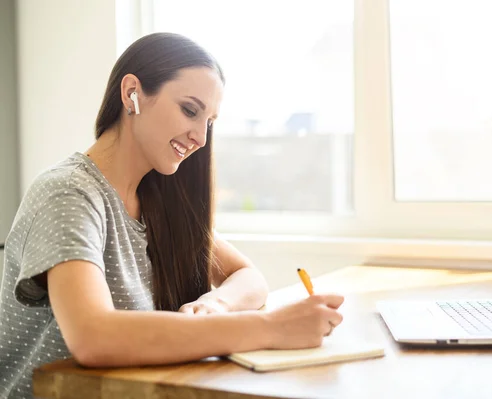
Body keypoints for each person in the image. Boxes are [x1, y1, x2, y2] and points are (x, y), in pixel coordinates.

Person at [0, 32, 344, 399]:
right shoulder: (67, 192)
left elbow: (248, 276)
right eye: (190, 110)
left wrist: (216, 304)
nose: (200, 137)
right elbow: (92, 337)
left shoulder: (157, 200)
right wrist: (272, 328)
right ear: (132, 93)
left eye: (209, 121)